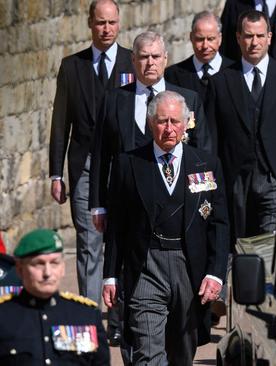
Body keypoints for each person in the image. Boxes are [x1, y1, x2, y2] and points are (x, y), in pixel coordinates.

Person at [103, 91, 229, 365]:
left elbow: (219, 225)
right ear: (150, 124)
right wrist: (110, 275)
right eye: (162, 121)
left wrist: (216, 274)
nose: (168, 129)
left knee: (183, 350)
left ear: (186, 124)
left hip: (189, 267)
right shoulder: (128, 163)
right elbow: (116, 226)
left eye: (174, 121)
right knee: (148, 351)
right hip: (146, 266)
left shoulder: (206, 164)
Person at [48, 0, 132, 312]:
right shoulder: (72, 66)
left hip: (124, 168)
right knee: (88, 243)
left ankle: (121, 316)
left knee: (122, 240)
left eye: (111, 22)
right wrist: (55, 173)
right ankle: (90, 313)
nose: (106, 29)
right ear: (90, 24)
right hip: (83, 166)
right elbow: (60, 123)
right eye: (100, 23)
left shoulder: (132, 62)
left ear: (119, 23)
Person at [206, 10, 276, 240]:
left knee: (271, 243)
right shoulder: (220, 82)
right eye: (248, 36)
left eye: (259, 35)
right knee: (238, 243)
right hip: (235, 180)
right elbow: (212, 139)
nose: (254, 42)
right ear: (237, 38)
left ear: (269, 37)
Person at [90, 31, 213, 230]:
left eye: (155, 57)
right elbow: (100, 154)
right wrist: (98, 205)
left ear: (165, 59)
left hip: (177, 203)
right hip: (127, 203)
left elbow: (204, 151)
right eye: (144, 57)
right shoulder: (113, 100)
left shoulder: (188, 99)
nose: (150, 63)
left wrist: (204, 199)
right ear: (133, 59)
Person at [0, 229, 110, 365]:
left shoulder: (85, 315)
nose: (47, 273)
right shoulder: (4, 316)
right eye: (39, 264)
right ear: (20, 269)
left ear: (63, 267)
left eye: (54, 263)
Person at [165, 11, 235, 103]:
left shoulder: (236, 72)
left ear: (220, 38)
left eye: (210, 39)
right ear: (191, 38)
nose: (205, 46)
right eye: (200, 39)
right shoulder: (173, 75)